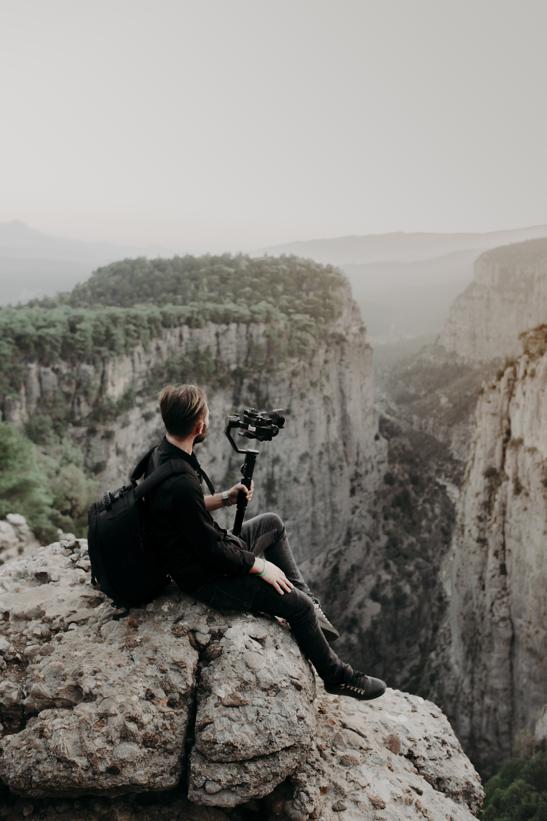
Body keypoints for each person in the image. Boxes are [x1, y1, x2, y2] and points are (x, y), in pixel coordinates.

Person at [143, 383, 386, 701]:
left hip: (199, 551)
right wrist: (260, 566)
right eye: (207, 416)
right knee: (295, 607)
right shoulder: (182, 482)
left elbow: (184, 510)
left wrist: (225, 498)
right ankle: (338, 677)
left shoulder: (162, 456)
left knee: (272, 523)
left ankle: (312, 605)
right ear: (199, 426)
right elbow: (212, 553)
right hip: (204, 577)